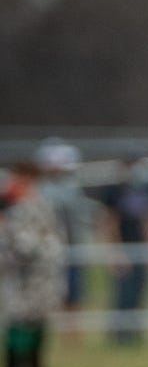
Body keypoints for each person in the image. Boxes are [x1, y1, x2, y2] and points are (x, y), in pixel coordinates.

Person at [0, 161, 66, 367]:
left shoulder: (25, 211)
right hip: (39, 294)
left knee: (18, 362)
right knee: (30, 361)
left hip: (28, 297)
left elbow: (23, 250)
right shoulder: (42, 208)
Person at [34, 137, 94, 346]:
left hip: (73, 247)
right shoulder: (42, 190)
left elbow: (81, 216)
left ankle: (74, 336)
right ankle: (60, 335)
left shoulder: (72, 187)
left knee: (75, 293)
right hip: (52, 250)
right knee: (56, 293)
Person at [99, 152, 148, 346]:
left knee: (140, 291)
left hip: (141, 249)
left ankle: (136, 332)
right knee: (123, 294)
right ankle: (120, 335)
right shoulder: (114, 193)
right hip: (124, 250)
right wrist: (115, 252)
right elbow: (110, 223)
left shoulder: (144, 192)